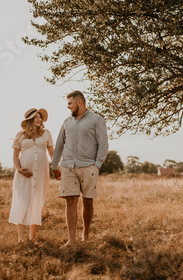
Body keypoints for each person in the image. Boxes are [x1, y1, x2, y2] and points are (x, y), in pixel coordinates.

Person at [52, 91, 108, 247]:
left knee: (87, 201)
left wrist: (97, 165)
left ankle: (86, 234)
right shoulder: (66, 122)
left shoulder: (97, 120)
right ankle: (71, 240)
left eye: (70, 103)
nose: (68, 106)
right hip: (68, 166)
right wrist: (54, 164)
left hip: (88, 166)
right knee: (70, 201)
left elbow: (103, 145)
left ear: (80, 102)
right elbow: (59, 144)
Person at [8, 108, 59, 242]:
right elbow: (15, 155)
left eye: (40, 117)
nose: (39, 119)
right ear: (29, 120)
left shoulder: (46, 134)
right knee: (23, 201)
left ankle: (32, 236)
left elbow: (52, 153)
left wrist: (56, 166)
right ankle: (21, 237)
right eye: (36, 117)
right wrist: (18, 169)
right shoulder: (21, 135)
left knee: (37, 200)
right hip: (24, 173)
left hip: (41, 172)